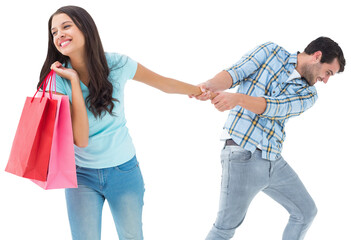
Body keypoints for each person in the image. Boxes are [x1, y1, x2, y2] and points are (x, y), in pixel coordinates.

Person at [38, 5, 202, 240]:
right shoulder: (58, 80)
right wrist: (73, 80)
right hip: (81, 175)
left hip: (123, 171)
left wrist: (200, 91)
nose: (59, 35)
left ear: (85, 28)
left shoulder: (117, 64)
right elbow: (81, 140)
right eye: (53, 32)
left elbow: (163, 83)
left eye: (66, 26)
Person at [195, 37, 345, 240]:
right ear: (317, 56)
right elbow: (235, 73)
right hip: (242, 154)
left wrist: (237, 99)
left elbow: (275, 107)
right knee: (224, 229)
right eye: (328, 72)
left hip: (273, 160)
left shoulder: (309, 94)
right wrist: (210, 85)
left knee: (306, 212)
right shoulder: (270, 51)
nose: (325, 80)